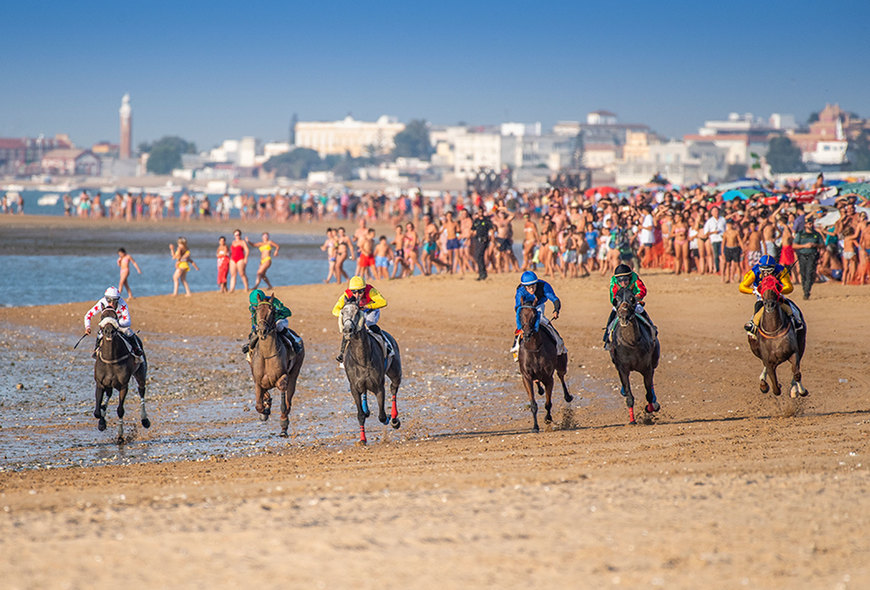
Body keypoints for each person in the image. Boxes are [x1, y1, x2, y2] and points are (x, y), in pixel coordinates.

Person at [738, 254, 802, 336]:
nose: (766, 274)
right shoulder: (755, 272)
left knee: (789, 307)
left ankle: (796, 320)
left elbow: (789, 287)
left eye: (769, 271)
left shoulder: (781, 271)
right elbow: (742, 287)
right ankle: (753, 325)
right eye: (763, 271)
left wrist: (779, 290)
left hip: (776, 296)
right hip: (762, 297)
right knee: (758, 307)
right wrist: (754, 291)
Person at [510, 271, 566, 361]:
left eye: (533, 286)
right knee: (523, 323)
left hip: (538, 307)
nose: (532, 289)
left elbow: (555, 299)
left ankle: (559, 343)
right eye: (529, 287)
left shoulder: (544, 286)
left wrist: (556, 310)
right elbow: (517, 307)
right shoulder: (520, 291)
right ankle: (515, 347)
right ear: (524, 287)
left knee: (543, 322)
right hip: (525, 308)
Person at [331, 275, 387, 364]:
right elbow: (335, 310)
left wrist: (367, 306)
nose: (357, 295)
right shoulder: (346, 295)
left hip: (371, 311)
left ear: (364, 289)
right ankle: (342, 354)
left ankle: (386, 346)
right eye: (354, 292)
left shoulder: (371, 291)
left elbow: (383, 302)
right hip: (356, 312)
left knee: (369, 324)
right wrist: (345, 314)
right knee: (349, 328)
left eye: (360, 292)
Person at [83, 286, 144, 360]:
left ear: (118, 300)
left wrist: (115, 324)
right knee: (100, 334)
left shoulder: (122, 304)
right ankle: (96, 350)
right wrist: (88, 327)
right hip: (106, 325)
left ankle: (136, 349)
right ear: (106, 298)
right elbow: (88, 315)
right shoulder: (101, 303)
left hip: (119, 324)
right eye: (109, 300)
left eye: (114, 301)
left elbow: (128, 321)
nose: (111, 303)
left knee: (129, 332)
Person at [603, 264, 653, 350]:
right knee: (612, 315)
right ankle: (607, 338)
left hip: (633, 302)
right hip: (620, 304)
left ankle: (652, 330)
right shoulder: (613, 280)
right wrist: (618, 303)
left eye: (625, 280)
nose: (623, 283)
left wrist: (636, 297)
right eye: (620, 281)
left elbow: (642, 290)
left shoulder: (634, 277)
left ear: (629, 277)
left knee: (641, 311)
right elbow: (613, 296)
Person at [242, 289, 298, 355]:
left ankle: (293, 342)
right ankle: (249, 346)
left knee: (279, 327)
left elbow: (288, 313)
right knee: (257, 330)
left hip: (279, 320)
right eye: (254, 306)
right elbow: (253, 320)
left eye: (257, 305)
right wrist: (252, 332)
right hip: (264, 322)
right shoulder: (252, 307)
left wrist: (276, 312)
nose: (255, 307)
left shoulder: (275, 302)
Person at [793, 216, 824, 300]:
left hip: (812, 255)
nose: (810, 225)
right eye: (808, 224)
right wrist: (804, 246)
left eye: (811, 223)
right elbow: (794, 245)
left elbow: (822, 244)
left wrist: (815, 245)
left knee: (810, 272)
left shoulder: (816, 234)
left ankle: (807, 291)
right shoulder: (800, 234)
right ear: (805, 225)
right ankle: (805, 289)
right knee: (803, 273)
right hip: (803, 255)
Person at [470, 208, 494, 280]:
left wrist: (492, 239)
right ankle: (482, 273)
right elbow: (472, 230)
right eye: (479, 212)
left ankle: (483, 273)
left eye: (481, 211)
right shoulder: (476, 221)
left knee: (480, 254)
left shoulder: (486, 220)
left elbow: (491, 230)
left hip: (484, 239)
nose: (480, 213)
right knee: (477, 256)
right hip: (477, 240)